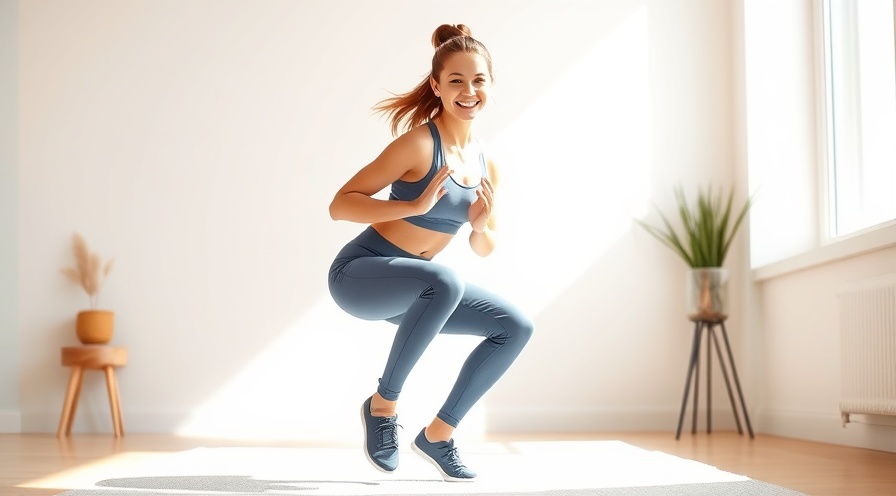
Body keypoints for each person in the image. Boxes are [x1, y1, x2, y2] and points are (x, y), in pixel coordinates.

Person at [327, 23, 533, 482]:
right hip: (360, 274)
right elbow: (340, 205)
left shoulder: (487, 162)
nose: (469, 91)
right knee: (446, 280)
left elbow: (485, 246)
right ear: (437, 86)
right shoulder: (419, 144)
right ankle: (383, 406)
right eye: (456, 80)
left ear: (491, 86)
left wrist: (479, 225)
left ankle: (438, 435)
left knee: (515, 327)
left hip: (420, 293)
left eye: (478, 80)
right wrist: (412, 206)